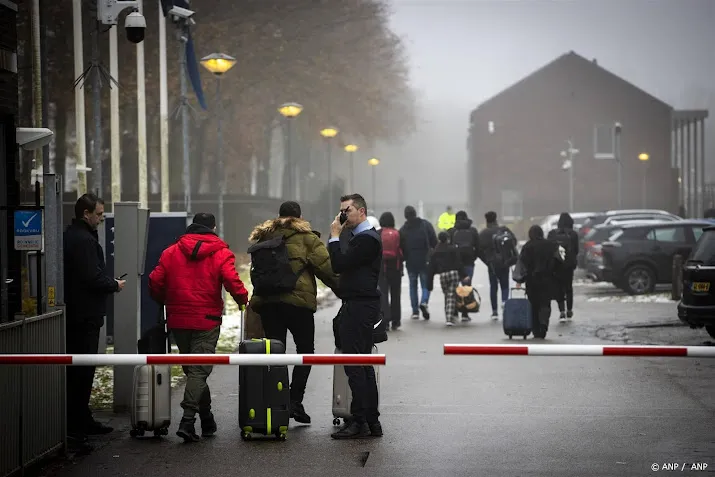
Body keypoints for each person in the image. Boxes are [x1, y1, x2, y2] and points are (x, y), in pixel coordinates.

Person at [148, 212, 249, 442]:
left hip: (179, 318)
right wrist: (243, 299)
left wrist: (163, 299)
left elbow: (155, 281)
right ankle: (187, 420)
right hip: (207, 319)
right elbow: (232, 280)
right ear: (213, 228)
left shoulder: (171, 251)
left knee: (194, 370)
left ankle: (206, 418)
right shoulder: (221, 253)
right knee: (198, 370)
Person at [247, 201, 339, 424]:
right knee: (305, 351)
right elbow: (326, 270)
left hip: (268, 303)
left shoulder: (264, 238)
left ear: (278, 216)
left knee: (276, 352)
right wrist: (345, 292)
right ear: (300, 217)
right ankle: (295, 401)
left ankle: (277, 402)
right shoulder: (307, 239)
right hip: (298, 304)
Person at [63, 193, 126, 450]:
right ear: (86, 213)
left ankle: (81, 419)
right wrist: (114, 284)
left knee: (81, 370)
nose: (101, 219)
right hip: (84, 314)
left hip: (79, 311)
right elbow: (91, 276)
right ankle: (76, 428)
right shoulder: (84, 241)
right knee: (82, 370)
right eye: (99, 214)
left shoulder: (73, 236)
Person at [327, 193, 383, 439]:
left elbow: (339, 264)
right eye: (341, 211)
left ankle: (360, 420)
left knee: (355, 365)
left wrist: (335, 237)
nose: (343, 216)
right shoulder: (361, 237)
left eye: (347, 211)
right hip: (357, 304)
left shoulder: (367, 239)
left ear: (361, 211)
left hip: (360, 307)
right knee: (362, 363)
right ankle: (371, 420)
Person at [518, 225, 563, 339]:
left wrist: (521, 279)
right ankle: (544, 324)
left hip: (532, 280)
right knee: (545, 303)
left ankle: (535, 328)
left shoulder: (527, 247)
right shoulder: (551, 245)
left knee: (533, 304)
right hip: (548, 279)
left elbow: (522, 265)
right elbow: (559, 260)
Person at [399, 205, 438, 320]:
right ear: (415, 213)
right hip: (425, 260)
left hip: (411, 262)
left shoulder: (403, 229)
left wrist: (404, 258)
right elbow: (434, 242)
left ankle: (415, 311)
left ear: (405, 216)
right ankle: (424, 301)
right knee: (425, 284)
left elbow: (400, 247)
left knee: (413, 286)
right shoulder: (425, 225)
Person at [478, 211, 518, 319]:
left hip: (491, 263)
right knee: (505, 285)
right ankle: (504, 301)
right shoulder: (504, 230)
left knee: (493, 286)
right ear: (496, 219)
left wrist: (486, 261)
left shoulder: (483, 234)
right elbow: (514, 242)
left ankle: (494, 312)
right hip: (504, 262)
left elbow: (478, 250)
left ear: (486, 221)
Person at [427, 232, 468, 326]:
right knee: (451, 295)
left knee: (447, 295)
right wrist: (464, 275)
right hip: (453, 273)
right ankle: (449, 318)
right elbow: (458, 263)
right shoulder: (453, 248)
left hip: (443, 275)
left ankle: (450, 314)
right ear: (448, 239)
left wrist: (429, 284)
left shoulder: (436, 251)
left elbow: (431, 268)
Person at [448, 210, 480, 321]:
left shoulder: (452, 231)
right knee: (466, 287)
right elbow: (478, 246)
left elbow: (449, 248)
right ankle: (465, 313)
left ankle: (455, 311)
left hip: (455, 263)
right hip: (469, 262)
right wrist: (474, 257)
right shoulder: (473, 230)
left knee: (455, 287)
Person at [547, 212, 579, 322]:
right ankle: (569, 309)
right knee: (568, 287)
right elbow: (576, 250)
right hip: (569, 265)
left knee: (559, 287)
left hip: (556, 264)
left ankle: (562, 312)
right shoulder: (573, 234)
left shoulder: (552, 234)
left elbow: (549, 249)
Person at [378, 211, 403, 331]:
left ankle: (385, 320)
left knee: (383, 294)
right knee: (395, 294)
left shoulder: (378, 233)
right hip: (396, 268)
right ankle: (396, 320)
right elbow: (403, 251)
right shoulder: (398, 233)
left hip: (382, 268)